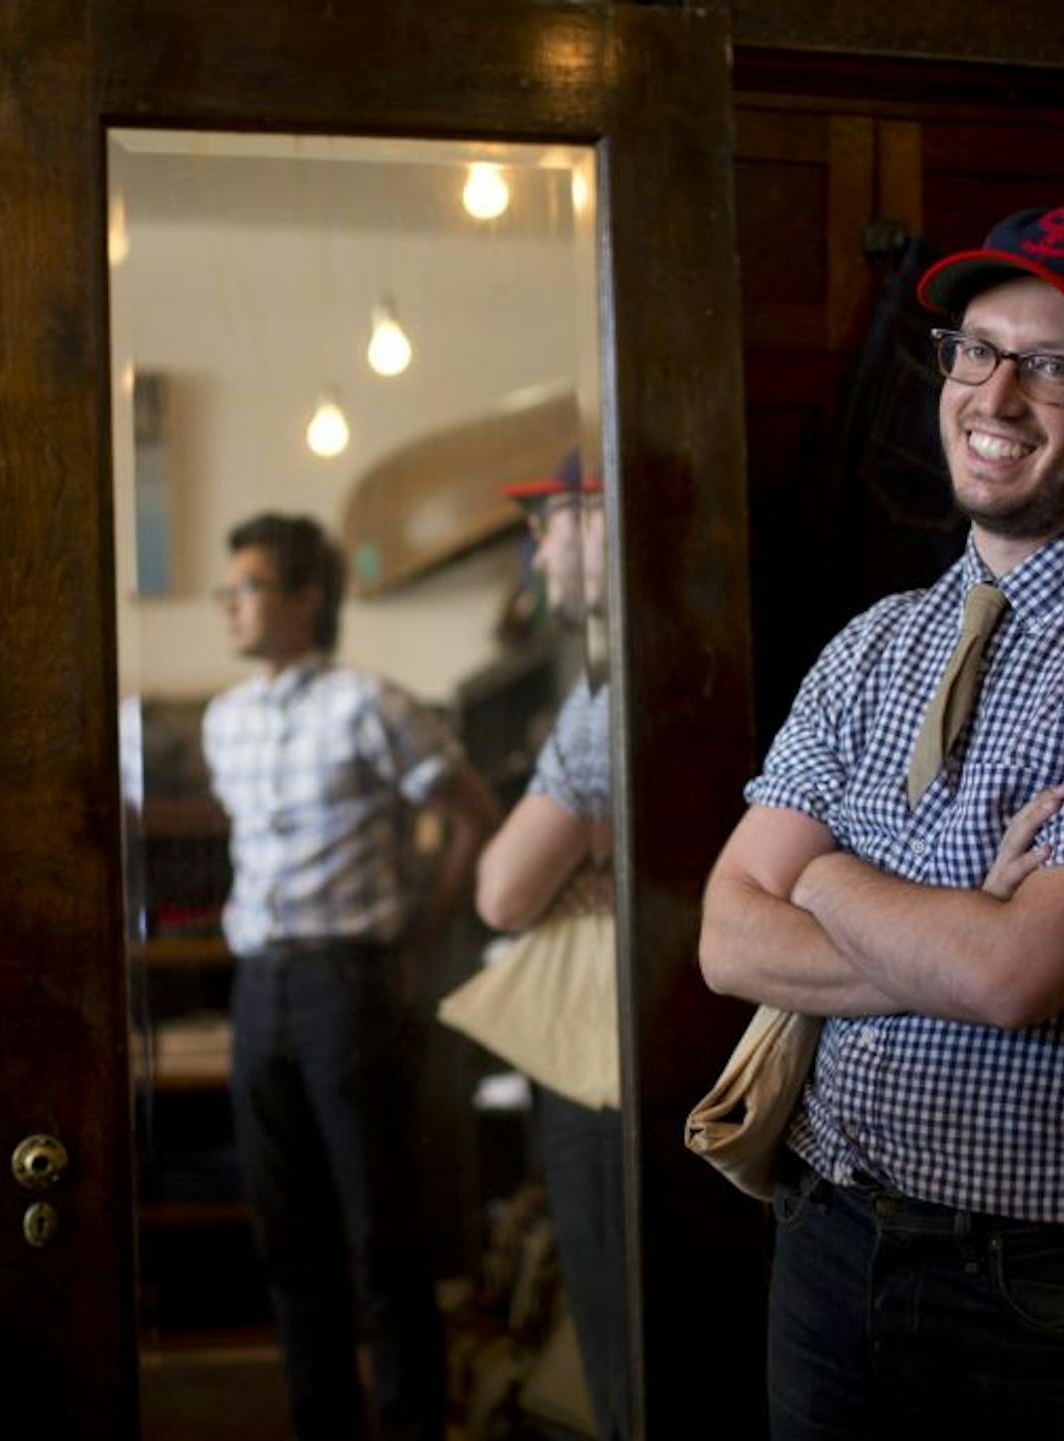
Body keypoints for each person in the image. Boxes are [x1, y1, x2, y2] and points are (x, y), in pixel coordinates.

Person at [697, 207, 1064, 1438]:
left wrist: (825, 879)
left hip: (1039, 1286)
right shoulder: (875, 642)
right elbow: (724, 940)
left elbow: (1017, 975)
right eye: (976, 349)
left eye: (1055, 365)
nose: (997, 394)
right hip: (825, 1233)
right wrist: (951, 933)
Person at [203, 511, 501, 1441]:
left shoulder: (370, 703)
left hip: (351, 985)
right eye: (228, 589)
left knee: (383, 1238)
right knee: (288, 1242)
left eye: (247, 587)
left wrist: (417, 935)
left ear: (305, 601)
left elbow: (474, 816)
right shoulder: (223, 721)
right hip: (257, 989)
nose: (230, 605)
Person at [472, 452, 628, 1439]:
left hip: (611, 1063)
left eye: (552, 520)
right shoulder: (609, 676)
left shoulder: (610, 696)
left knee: (626, 1350)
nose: (538, 548)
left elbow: (502, 888)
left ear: (607, 519)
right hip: (633, 1047)